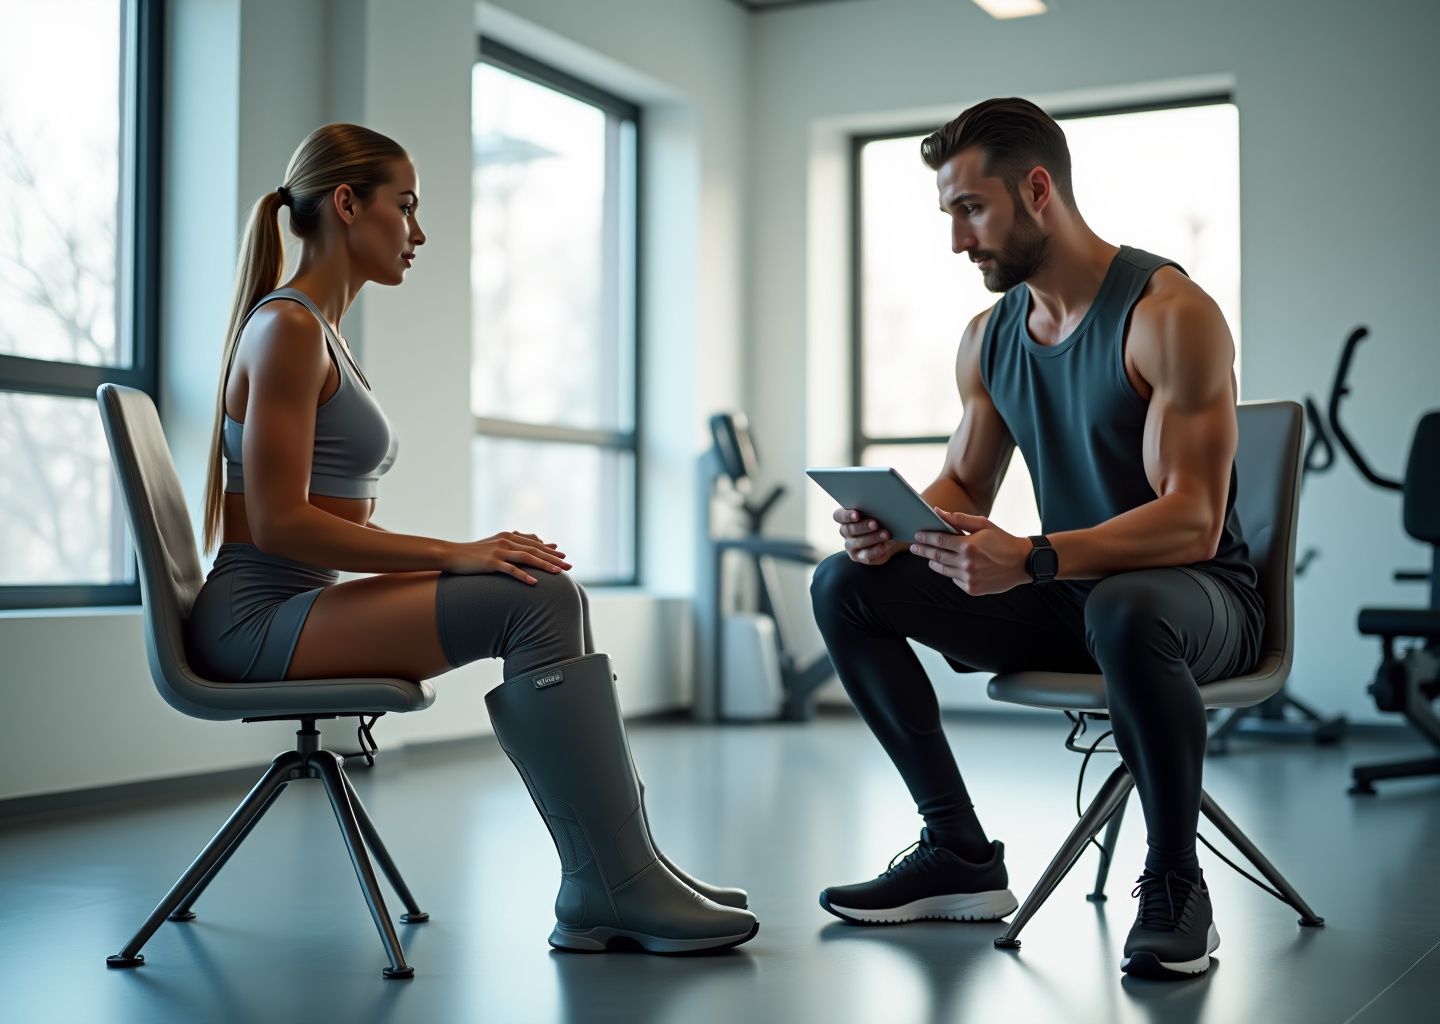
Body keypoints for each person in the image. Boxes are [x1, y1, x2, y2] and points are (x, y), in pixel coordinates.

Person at [185, 123, 757, 955]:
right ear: (347, 204)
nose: (418, 233)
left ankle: (627, 868)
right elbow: (279, 522)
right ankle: (612, 883)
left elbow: (323, 523)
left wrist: (460, 555)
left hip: (293, 607)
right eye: (405, 207)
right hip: (253, 623)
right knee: (536, 599)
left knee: (543, 589)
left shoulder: (318, 330)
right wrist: (456, 553)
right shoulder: (289, 329)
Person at [809, 98, 1263, 980]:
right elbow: (965, 486)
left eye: (970, 210)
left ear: (1038, 190)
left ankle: (1175, 884)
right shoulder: (989, 338)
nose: (957, 241)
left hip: (1198, 598)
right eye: (949, 215)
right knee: (843, 585)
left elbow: (1193, 518)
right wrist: (895, 527)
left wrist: (1036, 556)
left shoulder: (1169, 314)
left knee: (1130, 607)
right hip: (1067, 595)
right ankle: (960, 854)